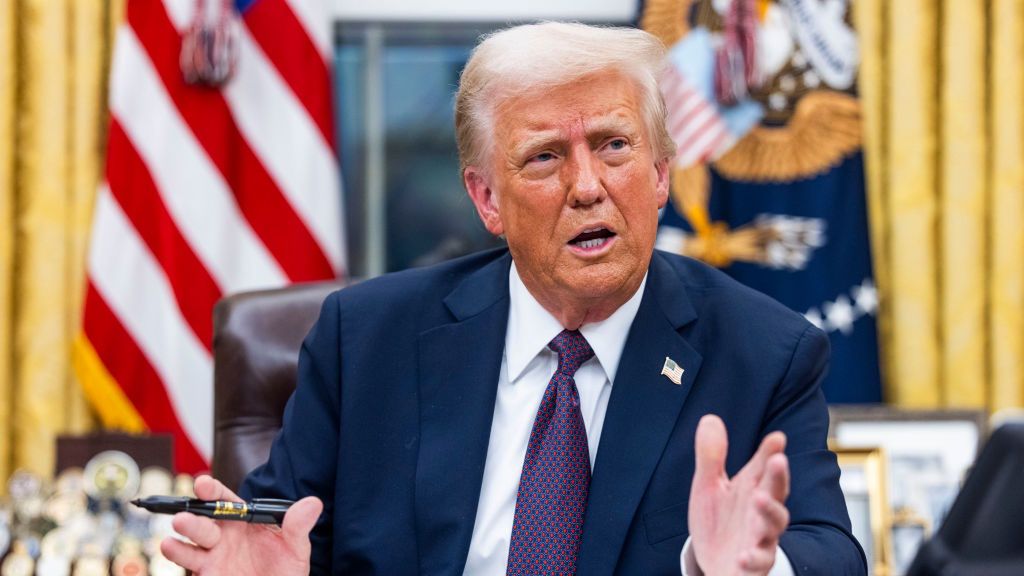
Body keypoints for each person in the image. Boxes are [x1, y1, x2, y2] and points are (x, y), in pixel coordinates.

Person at [161, 22, 865, 575]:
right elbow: (279, 541)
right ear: (486, 198)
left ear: (659, 175)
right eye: (545, 157)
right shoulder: (365, 340)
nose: (587, 186)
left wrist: (745, 570)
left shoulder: (763, 353)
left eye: (614, 146)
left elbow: (833, 555)